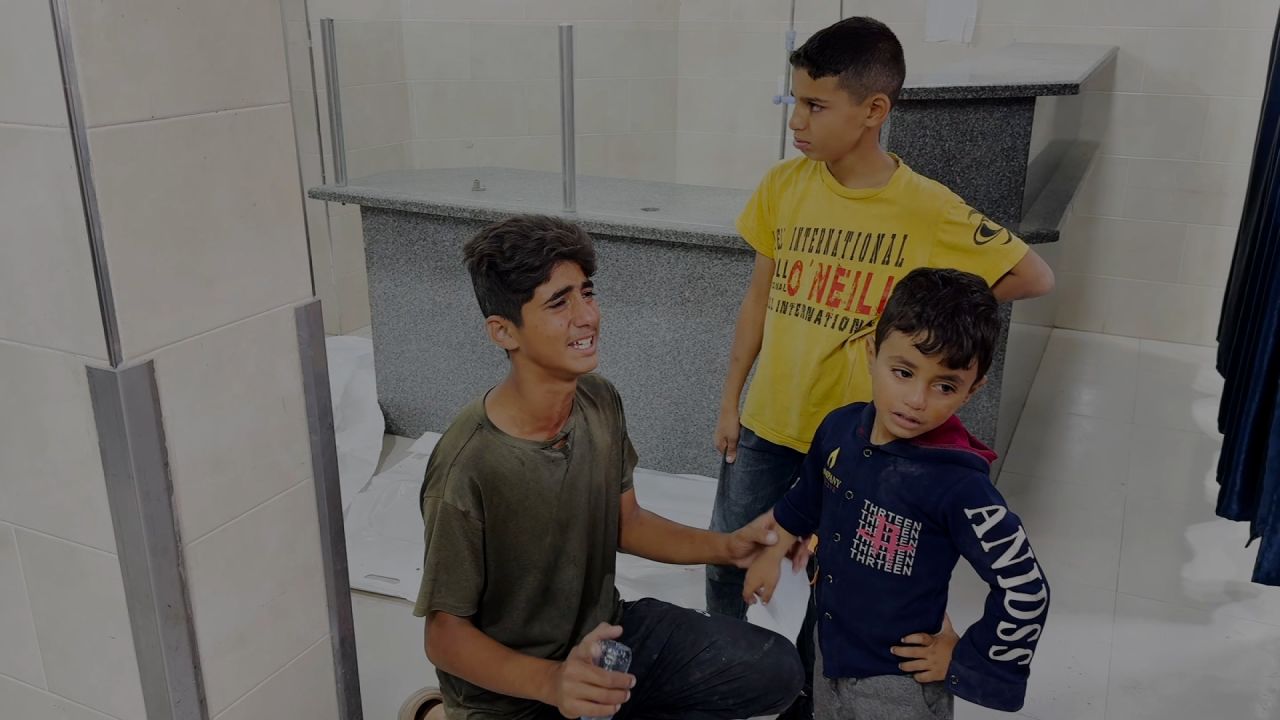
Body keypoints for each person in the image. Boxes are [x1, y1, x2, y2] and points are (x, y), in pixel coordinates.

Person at [706, 16, 1055, 716]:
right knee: (732, 559)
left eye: (815, 105)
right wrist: (730, 400)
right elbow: (758, 297)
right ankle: (720, 679)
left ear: (873, 111)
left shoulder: (925, 206)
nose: (797, 120)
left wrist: (921, 317)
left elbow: (1033, 275)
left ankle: (809, 696)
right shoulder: (785, 185)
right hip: (771, 422)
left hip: (858, 441)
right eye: (795, 101)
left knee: (831, 580)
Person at [413, 215, 803, 720]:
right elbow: (444, 636)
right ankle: (436, 713)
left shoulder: (598, 400)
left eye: (587, 293)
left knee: (774, 670)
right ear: (503, 331)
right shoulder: (468, 465)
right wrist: (554, 682)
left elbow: (627, 522)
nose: (587, 316)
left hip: (604, 638)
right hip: (515, 694)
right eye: (559, 302)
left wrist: (728, 548)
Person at [742, 267, 1050, 719]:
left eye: (945, 385)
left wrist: (966, 659)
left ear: (973, 388)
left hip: (899, 682)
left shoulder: (961, 485)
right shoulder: (840, 428)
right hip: (831, 652)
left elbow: (1025, 588)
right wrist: (773, 550)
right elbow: (808, 495)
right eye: (903, 372)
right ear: (872, 352)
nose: (916, 400)